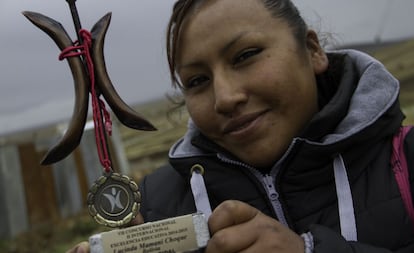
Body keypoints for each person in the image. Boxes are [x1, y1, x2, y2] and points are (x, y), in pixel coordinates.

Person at [68, 0, 414, 252]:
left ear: (312, 51)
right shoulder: (156, 207)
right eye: (198, 80)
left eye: (245, 55)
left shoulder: (406, 163)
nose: (225, 98)